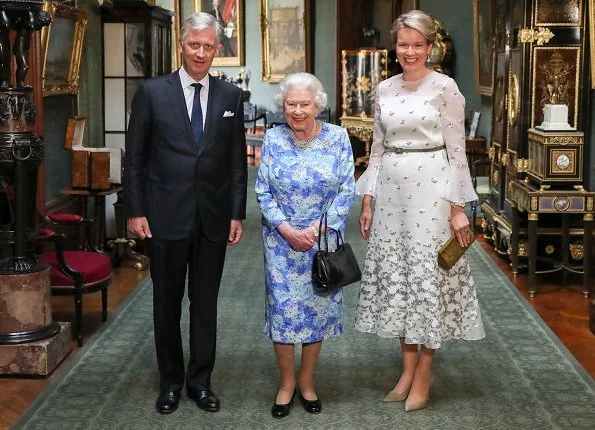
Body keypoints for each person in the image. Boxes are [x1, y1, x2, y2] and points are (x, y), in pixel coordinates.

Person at [354, 9, 485, 412]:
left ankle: (424, 375)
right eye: (403, 44)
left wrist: (457, 209)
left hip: (433, 188)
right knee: (400, 278)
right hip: (392, 190)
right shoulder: (384, 89)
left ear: (430, 48)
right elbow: (376, 147)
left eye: (417, 45)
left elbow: (458, 154)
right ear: (395, 47)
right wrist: (368, 200)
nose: (409, 52)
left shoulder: (445, 88)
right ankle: (406, 371)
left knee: (427, 279)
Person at [124, 12, 247, 415]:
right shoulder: (152, 93)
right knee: (167, 303)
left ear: (216, 49)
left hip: (212, 218)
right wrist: (135, 210)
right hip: (164, 216)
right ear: (182, 45)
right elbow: (136, 159)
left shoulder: (230, 97)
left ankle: (201, 381)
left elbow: (235, 164)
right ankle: (171, 383)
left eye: (208, 46)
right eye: (194, 44)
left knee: (205, 304)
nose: (200, 52)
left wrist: (236, 213)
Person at [255, 73, 355, 419]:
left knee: (317, 309)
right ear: (283, 105)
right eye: (291, 104)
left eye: (304, 104)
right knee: (282, 311)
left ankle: (307, 382)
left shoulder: (338, 138)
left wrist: (316, 230)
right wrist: (285, 229)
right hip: (280, 241)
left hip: (321, 241)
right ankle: (286, 384)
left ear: (318, 105)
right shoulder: (272, 139)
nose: (297, 111)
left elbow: (346, 189)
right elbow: (262, 191)